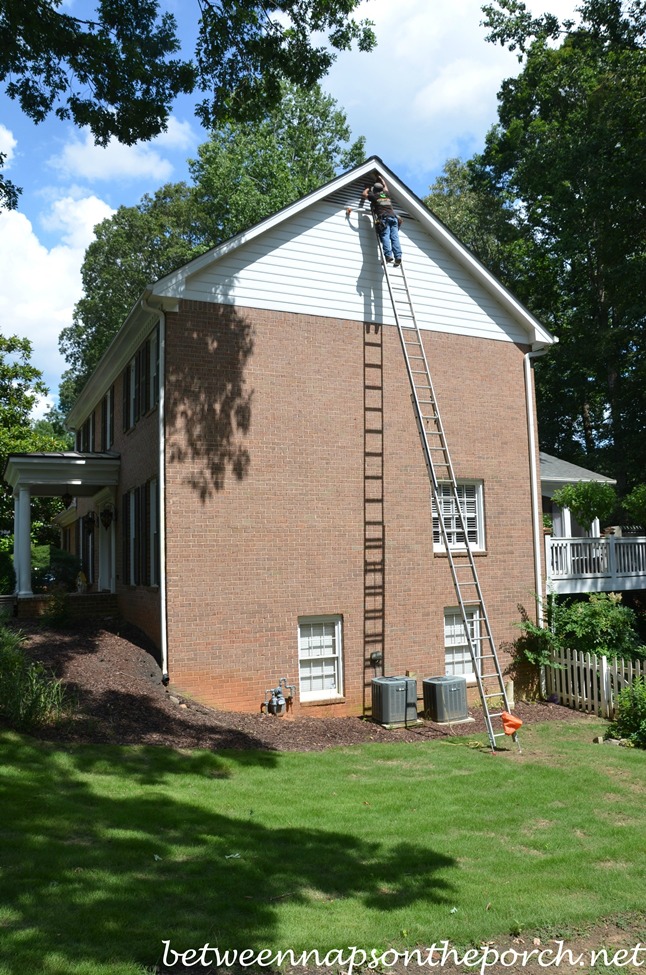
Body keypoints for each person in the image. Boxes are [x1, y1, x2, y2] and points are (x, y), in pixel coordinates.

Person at [361, 177, 402, 267]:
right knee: (395, 238)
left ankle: (388, 256)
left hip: (385, 219)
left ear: (375, 190)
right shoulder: (386, 194)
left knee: (385, 236)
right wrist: (381, 178)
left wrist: (367, 188)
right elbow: (386, 186)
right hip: (393, 218)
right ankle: (398, 256)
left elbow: (364, 194)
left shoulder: (374, 196)